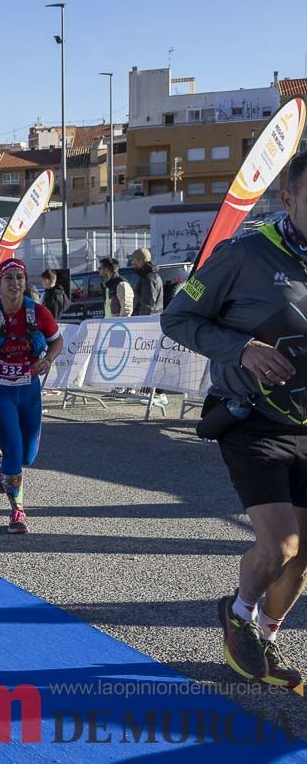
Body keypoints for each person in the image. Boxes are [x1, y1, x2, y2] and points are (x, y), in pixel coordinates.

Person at [161, 151, 307, 688]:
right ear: (289, 200)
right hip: (252, 420)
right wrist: (241, 348)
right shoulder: (242, 254)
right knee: (281, 545)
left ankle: (264, 639)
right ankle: (239, 615)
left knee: (304, 557)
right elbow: (177, 317)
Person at [0, 258, 63, 534]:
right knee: (15, 451)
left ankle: (0, 462)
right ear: (0, 283)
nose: (15, 284)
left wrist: (49, 359)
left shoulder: (38, 313)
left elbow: (57, 340)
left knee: (28, 457)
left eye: (20, 278)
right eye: (9, 278)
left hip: (28, 389)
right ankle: (17, 511)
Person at [130, 248, 163, 316]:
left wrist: (141, 321)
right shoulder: (149, 276)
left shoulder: (149, 278)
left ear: (142, 260)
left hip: (146, 321)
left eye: (134, 260)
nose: (132, 263)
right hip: (151, 319)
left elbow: (147, 306)